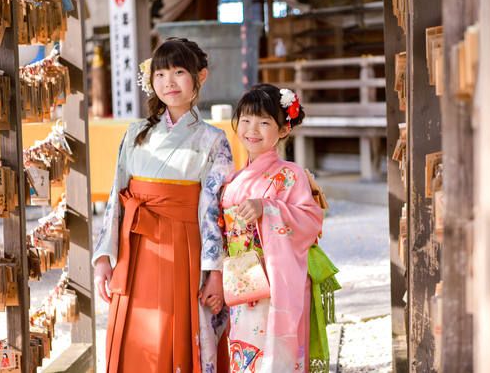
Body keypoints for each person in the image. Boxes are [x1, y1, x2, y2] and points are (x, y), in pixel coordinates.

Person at [92, 37, 235, 373]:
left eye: (179, 71)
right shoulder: (135, 133)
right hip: (135, 247)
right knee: (135, 334)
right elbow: (117, 197)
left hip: (185, 248)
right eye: (160, 74)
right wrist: (103, 257)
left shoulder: (213, 140)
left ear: (200, 76)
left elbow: (214, 210)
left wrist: (214, 272)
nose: (168, 82)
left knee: (180, 332)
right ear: (151, 80)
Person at [221, 84, 327, 372]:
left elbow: (310, 219)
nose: (252, 129)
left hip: (275, 279)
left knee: (274, 353)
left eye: (264, 122)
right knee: (244, 351)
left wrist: (266, 208)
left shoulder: (289, 174)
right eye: (245, 120)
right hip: (241, 279)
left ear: (283, 130)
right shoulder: (234, 177)